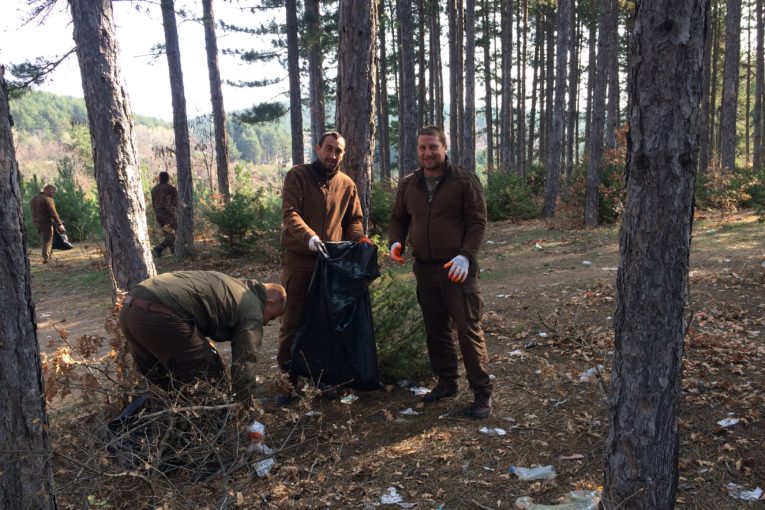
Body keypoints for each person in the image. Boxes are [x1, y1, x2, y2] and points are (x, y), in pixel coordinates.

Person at [388, 125, 492, 419]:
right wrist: (396, 241)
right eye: (422, 148)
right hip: (425, 269)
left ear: (444, 147)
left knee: (468, 330)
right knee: (436, 330)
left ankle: (482, 393)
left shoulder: (464, 180)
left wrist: (465, 256)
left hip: (457, 270)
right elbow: (398, 218)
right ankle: (447, 381)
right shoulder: (410, 184)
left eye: (433, 147)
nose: (427, 153)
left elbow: (477, 223)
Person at [277, 131, 372, 401]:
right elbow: (290, 213)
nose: (332, 155)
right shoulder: (298, 176)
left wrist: (360, 238)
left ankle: (323, 378)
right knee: (292, 321)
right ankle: (287, 381)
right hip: (301, 261)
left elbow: (353, 220)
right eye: (328, 149)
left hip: (331, 264)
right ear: (318, 148)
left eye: (338, 151)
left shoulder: (346, 183)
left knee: (327, 322)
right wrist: (310, 238)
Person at [119, 270, 287, 400]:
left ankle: (148, 437)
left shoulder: (232, 285)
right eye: (271, 317)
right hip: (161, 315)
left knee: (160, 384)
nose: (266, 323)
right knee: (209, 380)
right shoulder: (251, 308)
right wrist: (245, 406)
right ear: (270, 302)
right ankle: (209, 434)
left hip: (129, 309)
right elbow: (245, 361)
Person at [30, 183, 65, 264]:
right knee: (48, 240)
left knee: (47, 239)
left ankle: (49, 256)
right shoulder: (48, 199)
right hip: (46, 222)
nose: (53, 194)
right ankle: (46, 258)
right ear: (49, 191)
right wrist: (60, 224)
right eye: (53, 192)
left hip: (36, 222)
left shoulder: (34, 198)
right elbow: (54, 213)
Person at [150, 171, 179, 258]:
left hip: (158, 214)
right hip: (167, 214)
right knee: (174, 231)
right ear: (167, 178)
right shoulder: (171, 188)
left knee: (168, 234)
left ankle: (173, 252)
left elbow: (153, 203)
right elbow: (176, 202)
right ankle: (159, 248)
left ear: (160, 178)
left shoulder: (154, 189)